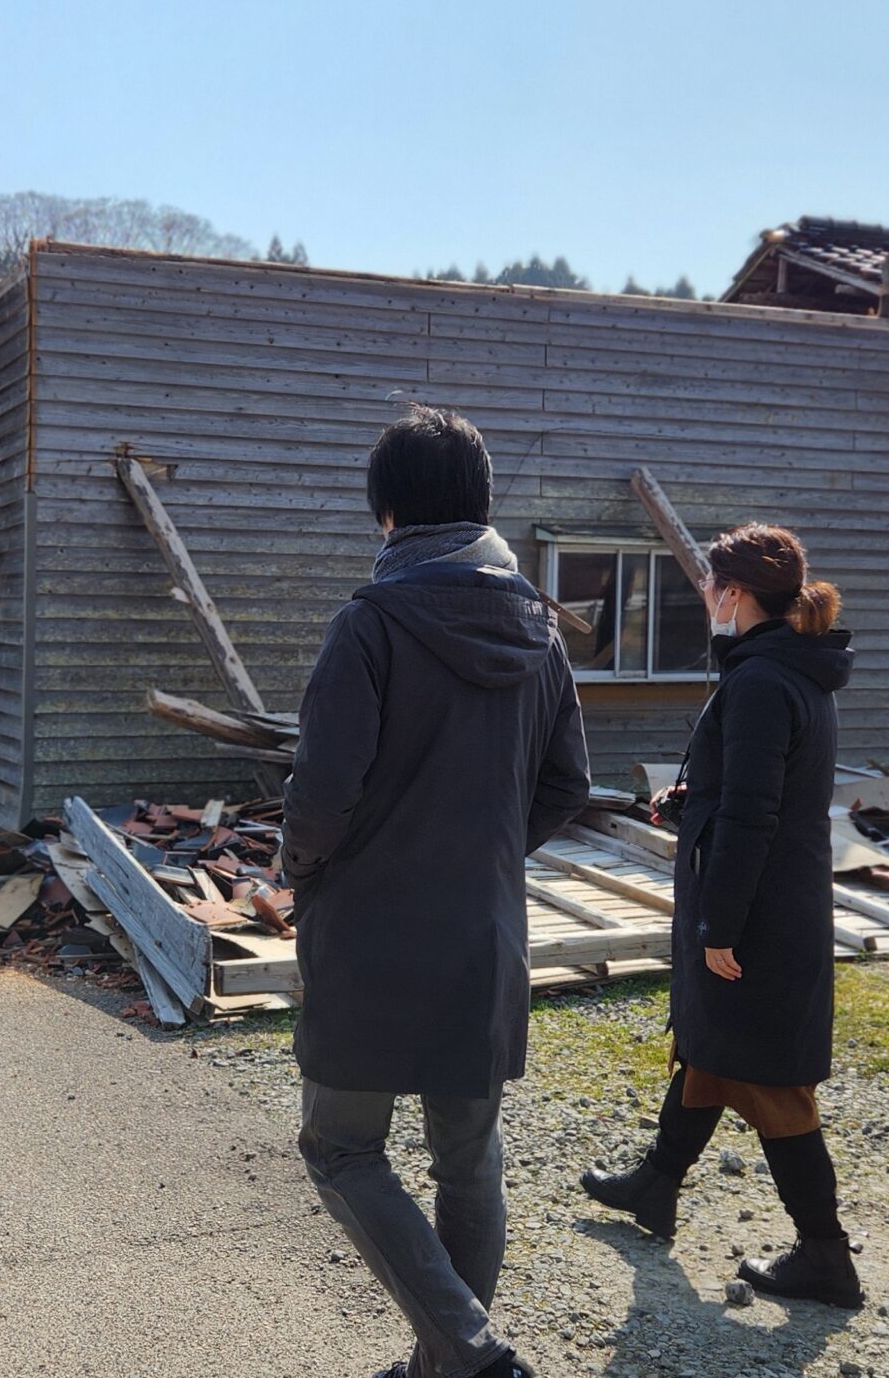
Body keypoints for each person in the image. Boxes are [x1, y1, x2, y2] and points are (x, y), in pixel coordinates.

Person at [282, 404, 590, 1378]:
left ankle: (466, 1354)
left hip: (372, 936)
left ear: (388, 517)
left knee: (340, 1147)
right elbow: (567, 784)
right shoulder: (540, 633)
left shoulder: (370, 625)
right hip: (483, 933)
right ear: (479, 505)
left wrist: (304, 872)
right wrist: (490, 854)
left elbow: (320, 797)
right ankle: (448, 1364)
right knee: (467, 1159)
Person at [579, 523, 863, 1309]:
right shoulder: (786, 671)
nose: (704, 597)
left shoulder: (763, 682)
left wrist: (722, 927)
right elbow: (749, 791)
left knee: (774, 1085)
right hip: (773, 901)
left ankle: (825, 1253)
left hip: (761, 916)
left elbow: (752, 816)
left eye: (707, 586)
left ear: (733, 594)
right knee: (708, 1050)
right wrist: (689, 799)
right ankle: (655, 1183)